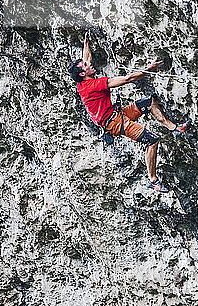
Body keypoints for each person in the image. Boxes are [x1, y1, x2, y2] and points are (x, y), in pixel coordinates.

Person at [68, 32, 189, 193]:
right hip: (115, 123)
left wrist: (86, 43)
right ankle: (152, 180)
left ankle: (174, 128)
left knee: (149, 102)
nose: (89, 64)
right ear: (83, 74)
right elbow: (128, 79)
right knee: (152, 141)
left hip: (117, 115)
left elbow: (87, 59)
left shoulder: (82, 83)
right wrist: (149, 69)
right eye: (85, 66)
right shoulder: (94, 85)